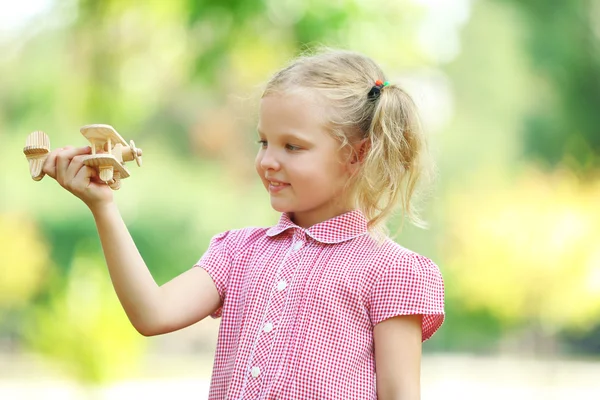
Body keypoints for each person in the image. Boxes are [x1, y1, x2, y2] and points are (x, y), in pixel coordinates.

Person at [43, 48, 445, 399]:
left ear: (358, 155)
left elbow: (400, 394)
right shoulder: (237, 252)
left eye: (293, 146)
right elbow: (153, 313)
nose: (268, 160)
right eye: (263, 142)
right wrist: (103, 206)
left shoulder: (394, 272)